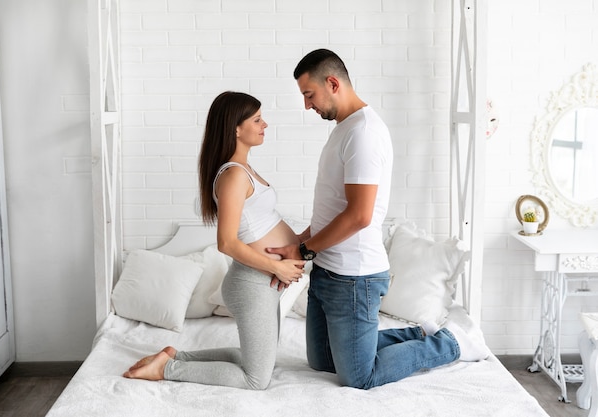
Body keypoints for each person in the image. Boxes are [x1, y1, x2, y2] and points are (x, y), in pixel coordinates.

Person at [267, 49, 488, 389]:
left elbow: (358, 215)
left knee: (359, 375)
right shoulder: (344, 129)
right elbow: (332, 209)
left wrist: (305, 251)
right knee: (322, 360)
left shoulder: (364, 133)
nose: (307, 105)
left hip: (354, 278)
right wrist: (298, 244)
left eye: (309, 95)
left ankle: (452, 342)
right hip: (328, 270)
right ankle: (417, 332)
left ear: (332, 83)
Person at [123, 91, 307, 390]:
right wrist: (279, 268)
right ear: (236, 127)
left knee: (255, 359)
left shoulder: (244, 169)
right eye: (257, 119)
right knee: (256, 379)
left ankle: (174, 355)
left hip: (263, 282)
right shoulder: (233, 175)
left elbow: (263, 224)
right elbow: (227, 243)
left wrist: (302, 240)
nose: (265, 125)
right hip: (253, 283)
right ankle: (167, 369)